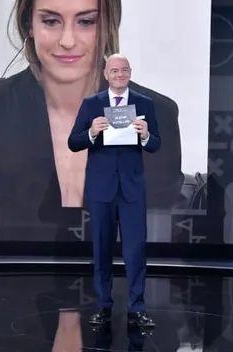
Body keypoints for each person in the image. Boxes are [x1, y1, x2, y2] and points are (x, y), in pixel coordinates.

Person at [0, 0, 184, 240]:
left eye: (86, 22)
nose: (68, 40)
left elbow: (163, 244)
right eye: (51, 21)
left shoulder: (157, 115)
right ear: (29, 23)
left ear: (107, 25)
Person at [67, 53, 159, 329]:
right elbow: (73, 142)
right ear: (106, 74)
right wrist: (92, 132)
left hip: (132, 189)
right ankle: (104, 307)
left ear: (130, 73)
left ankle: (137, 308)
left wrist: (146, 135)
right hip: (101, 189)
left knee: (135, 251)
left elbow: (156, 144)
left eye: (124, 70)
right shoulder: (91, 104)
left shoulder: (144, 103)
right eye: (114, 70)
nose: (120, 74)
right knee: (102, 249)